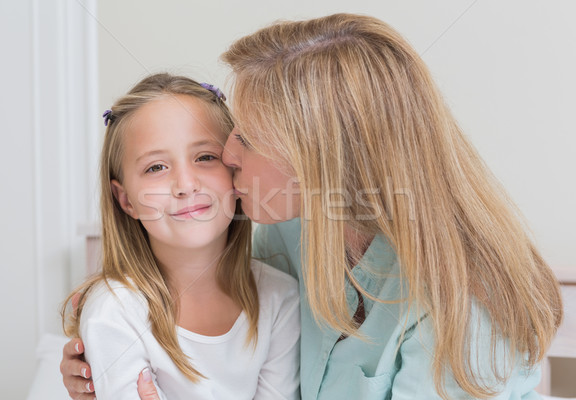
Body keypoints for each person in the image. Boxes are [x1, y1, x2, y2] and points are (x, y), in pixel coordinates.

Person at [61, 14, 563, 399]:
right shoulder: (287, 234)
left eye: (249, 139)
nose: (230, 155)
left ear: (324, 161)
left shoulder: (468, 305)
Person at [59, 73, 300, 400]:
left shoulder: (280, 297)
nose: (186, 184)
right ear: (126, 199)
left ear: (235, 169)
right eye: (156, 167)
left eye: (205, 157)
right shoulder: (113, 313)